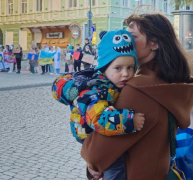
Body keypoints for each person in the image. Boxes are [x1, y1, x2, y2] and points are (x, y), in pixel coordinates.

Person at [80, 13, 193, 180]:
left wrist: (92, 166)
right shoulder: (172, 83)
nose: (127, 42)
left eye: (132, 37)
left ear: (154, 43)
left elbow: (97, 154)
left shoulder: (140, 89)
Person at [52, 30, 145, 180]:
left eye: (130, 68)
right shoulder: (97, 90)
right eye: (118, 68)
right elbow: (99, 118)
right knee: (116, 169)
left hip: (98, 142)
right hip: (92, 135)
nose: (125, 74)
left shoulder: (112, 85)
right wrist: (129, 120)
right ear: (104, 69)